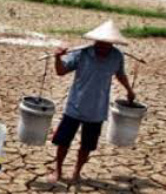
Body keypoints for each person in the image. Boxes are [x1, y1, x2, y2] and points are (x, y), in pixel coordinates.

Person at [50, 20, 136, 183]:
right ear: (95, 40)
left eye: (106, 44)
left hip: (96, 110)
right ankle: (58, 170)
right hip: (75, 107)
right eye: (99, 43)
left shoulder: (117, 56)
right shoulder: (82, 53)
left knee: (87, 146)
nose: (102, 46)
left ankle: (77, 171)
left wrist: (129, 90)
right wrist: (57, 58)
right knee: (63, 142)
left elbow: (120, 74)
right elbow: (61, 71)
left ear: (112, 44)